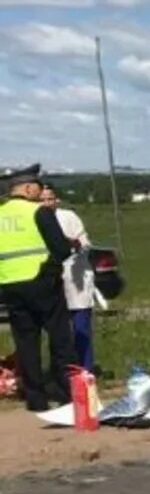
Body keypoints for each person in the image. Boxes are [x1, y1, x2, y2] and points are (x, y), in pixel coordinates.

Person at [0, 165, 76, 411]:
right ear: (28, 188)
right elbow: (62, 249)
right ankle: (67, 392)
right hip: (42, 283)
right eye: (39, 188)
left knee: (26, 343)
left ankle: (36, 398)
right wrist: (50, 271)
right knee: (60, 339)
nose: (40, 192)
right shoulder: (39, 212)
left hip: (10, 285)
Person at [38, 184, 95, 369]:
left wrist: (75, 243)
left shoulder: (68, 216)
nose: (47, 203)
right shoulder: (36, 219)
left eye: (50, 199)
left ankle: (86, 370)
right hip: (51, 282)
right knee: (58, 332)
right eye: (42, 200)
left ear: (57, 200)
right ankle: (63, 371)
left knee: (81, 328)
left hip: (75, 277)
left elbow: (85, 243)